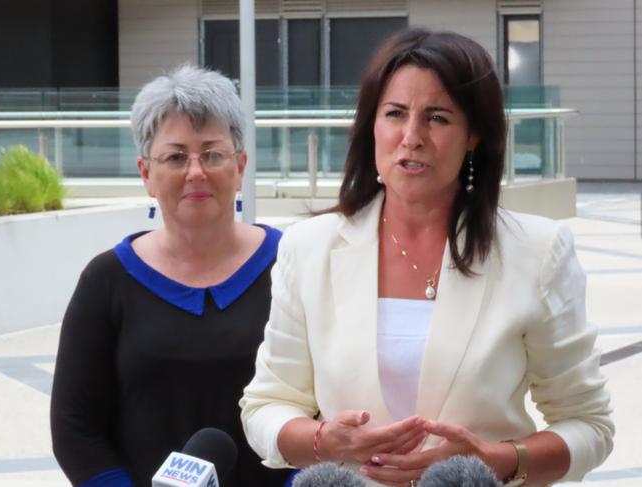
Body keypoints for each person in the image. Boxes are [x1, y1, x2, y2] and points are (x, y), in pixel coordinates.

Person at [240, 28, 614, 487]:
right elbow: (265, 408)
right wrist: (325, 441)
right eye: (395, 113)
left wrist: (494, 460)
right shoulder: (308, 248)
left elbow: (589, 425)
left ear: (474, 134)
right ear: (371, 125)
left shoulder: (536, 252)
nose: (411, 137)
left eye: (437, 118)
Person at [51, 65, 289, 487]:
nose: (195, 171)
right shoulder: (106, 280)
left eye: (212, 153)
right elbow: (75, 429)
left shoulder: (293, 264)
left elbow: (328, 403)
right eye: (176, 156)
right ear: (146, 173)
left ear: (240, 166)